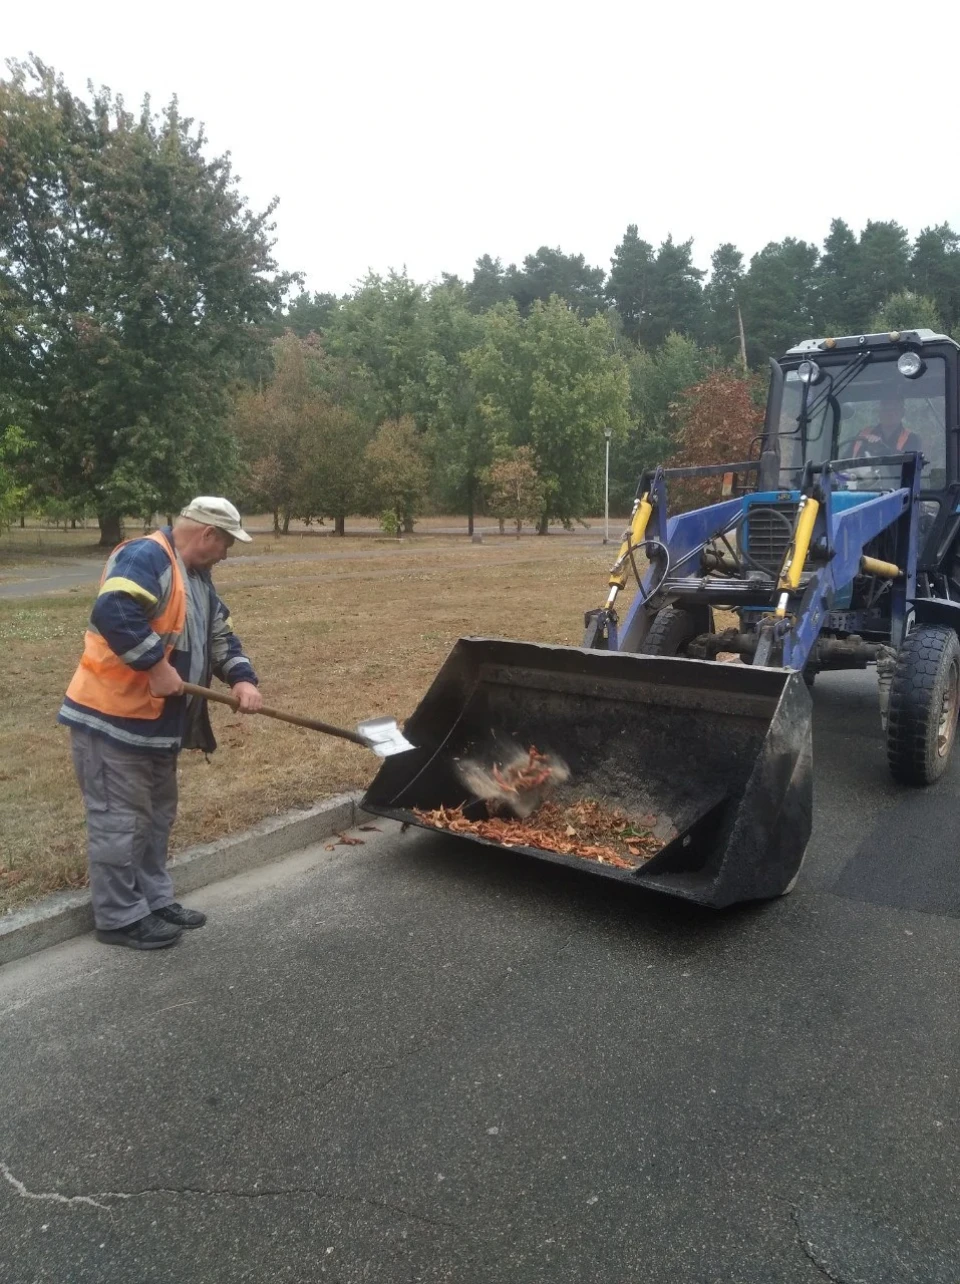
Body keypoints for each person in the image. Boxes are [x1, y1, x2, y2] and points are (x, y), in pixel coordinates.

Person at [59, 497, 263, 951]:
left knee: (155, 820)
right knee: (119, 822)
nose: (227, 553)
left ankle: (152, 900)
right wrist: (154, 664)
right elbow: (113, 611)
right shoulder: (145, 556)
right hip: (112, 722)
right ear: (209, 534)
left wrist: (242, 679)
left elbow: (221, 637)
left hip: (156, 727)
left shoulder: (199, 579)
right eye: (227, 542)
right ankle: (118, 917)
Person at [851, 397, 923, 460]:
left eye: (894, 409)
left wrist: (881, 448)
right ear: (879, 412)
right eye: (885, 409)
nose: (890, 413)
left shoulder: (912, 439)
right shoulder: (863, 435)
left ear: (902, 412)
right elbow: (845, 462)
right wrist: (866, 446)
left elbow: (911, 466)